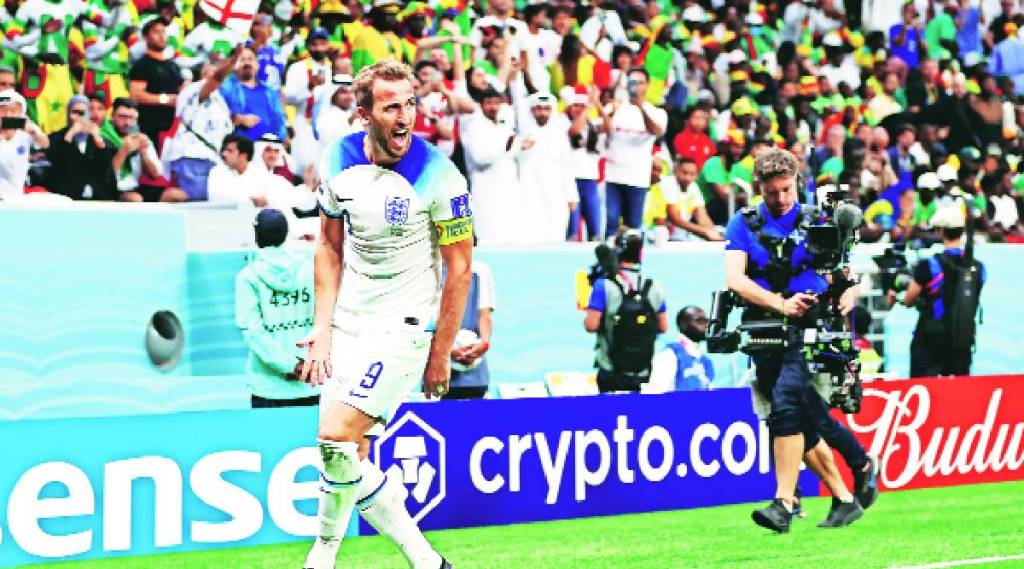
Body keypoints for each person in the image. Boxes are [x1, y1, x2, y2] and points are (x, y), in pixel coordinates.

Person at [299, 60, 469, 569]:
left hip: (404, 328)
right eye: (392, 106)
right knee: (345, 456)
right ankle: (429, 562)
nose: (405, 117)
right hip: (350, 322)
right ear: (364, 113)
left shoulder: (441, 175)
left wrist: (440, 353)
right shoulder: (337, 159)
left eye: (410, 104)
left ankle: (321, 557)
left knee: (335, 437)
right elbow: (328, 247)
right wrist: (321, 328)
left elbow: (460, 269)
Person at [724, 148, 868, 532]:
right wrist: (780, 304)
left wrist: (850, 293)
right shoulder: (743, 223)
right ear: (760, 187)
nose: (781, 198)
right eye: (772, 192)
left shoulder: (819, 218)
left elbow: (846, 274)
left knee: (786, 404)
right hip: (765, 330)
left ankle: (784, 504)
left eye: (787, 189)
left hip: (811, 330)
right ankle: (847, 492)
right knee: (800, 419)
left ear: (797, 183)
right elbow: (735, 279)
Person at [235, 209, 319, 408]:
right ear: (285, 233)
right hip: (310, 382)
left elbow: (254, 332)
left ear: (257, 235)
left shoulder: (248, 277)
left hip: (268, 386)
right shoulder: (310, 270)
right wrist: (302, 365)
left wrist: (290, 366)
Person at [889, 205, 986, 377]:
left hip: (930, 341)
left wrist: (896, 297)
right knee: (959, 389)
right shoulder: (979, 267)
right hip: (962, 340)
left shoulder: (929, 265)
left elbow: (909, 299)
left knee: (924, 387)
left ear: (941, 231)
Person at [583, 229, 669, 393]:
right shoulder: (655, 286)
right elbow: (663, 327)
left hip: (610, 369)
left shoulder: (603, 285)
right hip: (642, 370)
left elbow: (591, 325)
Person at [602, 68, 667, 237]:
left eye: (640, 83)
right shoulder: (615, 107)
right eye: (632, 82)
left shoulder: (657, 112)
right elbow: (600, 130)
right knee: (611, 223)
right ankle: (610, 253)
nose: (635, 87)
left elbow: (657, 131)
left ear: (647, 85)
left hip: (637, 178)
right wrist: (608, 112)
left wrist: (641, 108)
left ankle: (632, 255)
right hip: (613, 175)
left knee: (633, 227)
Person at [461, 87, 531, 244]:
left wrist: (521, 147)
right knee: (489, 233)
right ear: (481, 104)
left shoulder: (503, 127)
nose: (493, 107)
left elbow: (511, 154)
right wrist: (504, 147)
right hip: (486, 187)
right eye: (488, 103)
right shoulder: (474, 128)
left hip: (507, 186)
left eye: (496, 103)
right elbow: (479, 157)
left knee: (509, 233)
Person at [163, 55, 237, 201]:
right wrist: (231, 62)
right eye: (208, 73)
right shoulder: (193, 90)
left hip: (211, 158)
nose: (213, 76)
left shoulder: (220, 100)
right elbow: (216, 78)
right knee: (198, 204)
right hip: (193, 156)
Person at [517, 91, 577, 244]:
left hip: (556, 192)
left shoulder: (559, 134)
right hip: (530, 191)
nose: (542, 113)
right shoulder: (522, 135)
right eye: (538, 108)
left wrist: (572, 196)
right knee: (531, 230)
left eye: (546, 109)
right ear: (532, 110)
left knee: (556, 231)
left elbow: (567, 167)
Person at [103, 97, 185, 203]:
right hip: (112, 189)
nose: (127, 122)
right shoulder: (103, 138)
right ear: (112, 116)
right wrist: (123, 151)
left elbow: (155, 175)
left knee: (177, 195)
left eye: (132, 118)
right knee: (135, 199)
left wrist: (143, 152)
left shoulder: (140, 137)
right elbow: (105, 177)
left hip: (135, 187)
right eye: (122, 117)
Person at [443, 253, 496, 400]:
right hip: (439, 371)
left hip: (475, 373)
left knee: (476, 412)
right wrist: (445, 350)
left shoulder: (480, 271)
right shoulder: (430, 272)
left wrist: (483, 344)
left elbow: (484, 314)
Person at [46, 95, 117, 201]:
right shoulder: (57, 137)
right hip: (66, 194)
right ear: (68, 113)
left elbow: (105, 170)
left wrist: (97, 139)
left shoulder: (97, 138)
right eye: (75, 112)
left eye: (84, 113)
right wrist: (69, 135)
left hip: (96, 195)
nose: (80, 117)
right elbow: (58, 163)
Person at [285, 28, 335, 176]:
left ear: (328, 45)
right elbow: (288, 97)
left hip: (328, 125)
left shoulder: (333, 68)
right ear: (308, 46)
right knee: (304, 167)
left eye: (322, 43)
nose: (319, 48)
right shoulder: (297, 68)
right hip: (304, 124)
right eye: (314, 44)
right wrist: (309, 86)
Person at [129, 18, 185, 147]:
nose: (161, 36)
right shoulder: (142, 65)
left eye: (163, 32)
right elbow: (135, 95)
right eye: (156, 32)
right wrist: (165, 99)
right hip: (151, 128)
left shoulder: (173, 66)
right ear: (146, 37)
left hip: (174, 129)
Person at [221, 45, 288, 142]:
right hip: (240, 146)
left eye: (250, 59)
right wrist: (238, 119)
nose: (247, 63)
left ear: (257, 64)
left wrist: (281, 140)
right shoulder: (225, 89)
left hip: (269, 145)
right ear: (233, 65)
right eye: (242, 59)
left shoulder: (270, 91)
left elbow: (279, 121)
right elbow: (217, 116)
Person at [646, 306, 715, 393]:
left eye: (706, 321)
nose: (706, 326)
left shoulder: (705, 361)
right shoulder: (669, 355)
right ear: (683, 324)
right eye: (700, 321)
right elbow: (655, 393)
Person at [0, 89, 48, 200]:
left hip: (15, 197)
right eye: (3, 110)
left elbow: (45, 144)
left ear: (21, 113)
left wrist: (34, 132)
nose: (8, 115)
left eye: (13, 111)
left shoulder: (27, 130)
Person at [661, 156, 722, 241]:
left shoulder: (693, 186)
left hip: (682, 232)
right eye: (684, 173)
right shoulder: (668, 183)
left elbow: (702, 216)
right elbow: (675, 219)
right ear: (675, 171)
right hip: (664, 232)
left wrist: (714, 232)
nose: (688, 178)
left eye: (692, 174)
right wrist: (705, 231)